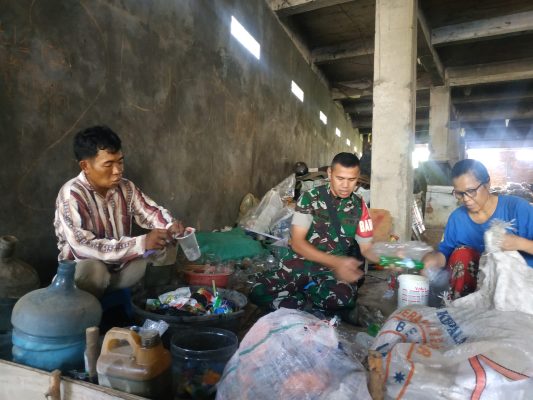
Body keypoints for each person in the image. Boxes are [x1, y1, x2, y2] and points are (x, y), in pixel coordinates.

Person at [54, 125, 185, 298]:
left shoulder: (125, 187)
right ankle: (91, 313)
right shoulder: (71, 195)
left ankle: (155, 302)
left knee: (165, 245)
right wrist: (141, 243)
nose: (117, 171)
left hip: (121, 269)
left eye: (120, 162)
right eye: (108, 164)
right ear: (85, 166)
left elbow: (151, 212)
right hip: (84, 278)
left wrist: (169, 226)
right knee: (93, 269)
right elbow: (82, 247)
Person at [249, 152, 378, 312]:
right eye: (340, 178)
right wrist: (338, 262)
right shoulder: (310, 198)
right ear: (330, 173)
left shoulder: (360, 206)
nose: (345, 185)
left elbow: (366, 247)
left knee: (344, 299)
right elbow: (297, 243)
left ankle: (298, 300)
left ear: (358, 177)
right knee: (257, 292)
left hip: (331, 271)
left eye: (351, 180)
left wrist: (391, 257)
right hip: (301, 262)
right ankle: (308, 299)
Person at [423, 159, 533, 299]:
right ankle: (461, 307)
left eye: (471, 191)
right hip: (477, 290)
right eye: (459, 193)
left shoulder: (517, 209)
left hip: (520, 288)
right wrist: (433, 260)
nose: (466, 199)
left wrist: (520, 243)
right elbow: (445, 253)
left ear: (487, 184)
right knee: (462, 254)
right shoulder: (457, 218)